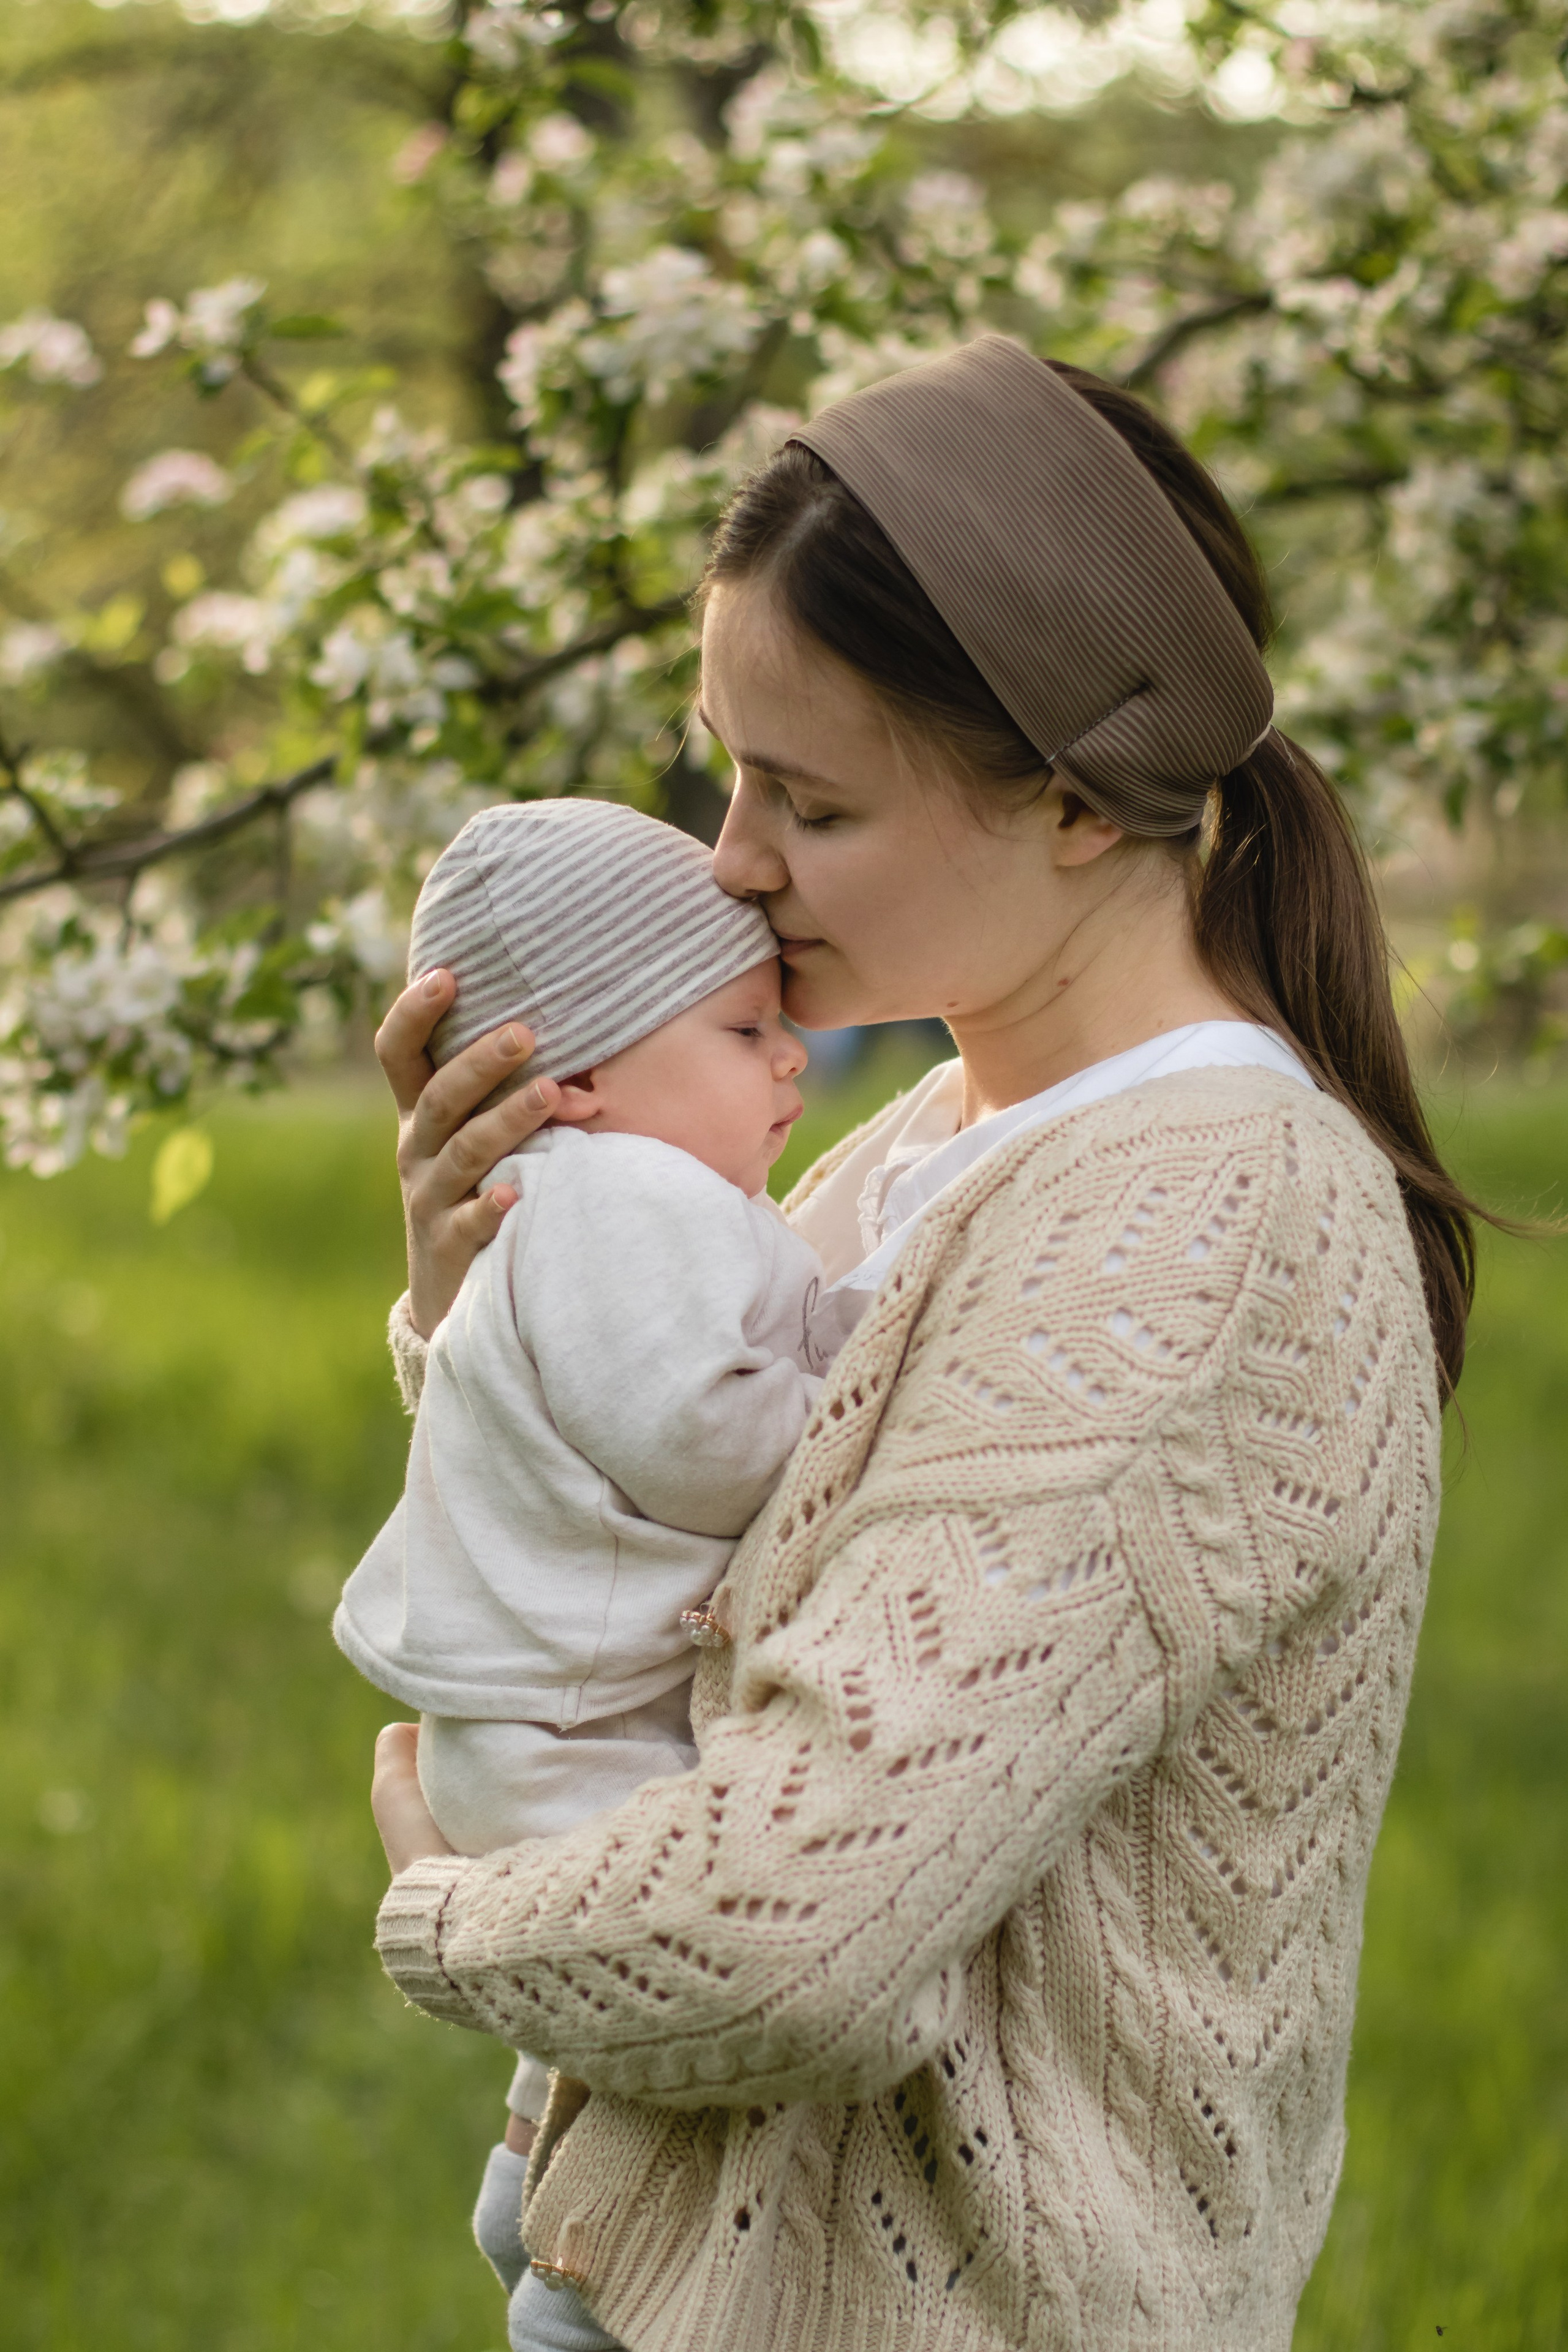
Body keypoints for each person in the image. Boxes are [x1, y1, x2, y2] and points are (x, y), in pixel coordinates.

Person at [366, 339, 1482, 2352]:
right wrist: (487, 1306)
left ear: (1066, 798)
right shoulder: (940, 1140)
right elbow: (697, 1551)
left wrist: (453, 1903)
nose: (730, 859)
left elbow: (788, 1935)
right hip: (676, 2266)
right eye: (728, 768)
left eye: (810, 800)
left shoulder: (1194, 1226)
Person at [333, 796, 823, 2283]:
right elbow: (686, 1430)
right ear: (589, 1075)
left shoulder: (621, 1189)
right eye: (745, 1031)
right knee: (650, 1958)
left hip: (543, 1710)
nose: (792, 1056)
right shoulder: (625, 1195)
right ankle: (568, 2229)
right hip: (569, 1720)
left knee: (620, 1969)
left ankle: (529, 2160)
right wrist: (857, 1401)